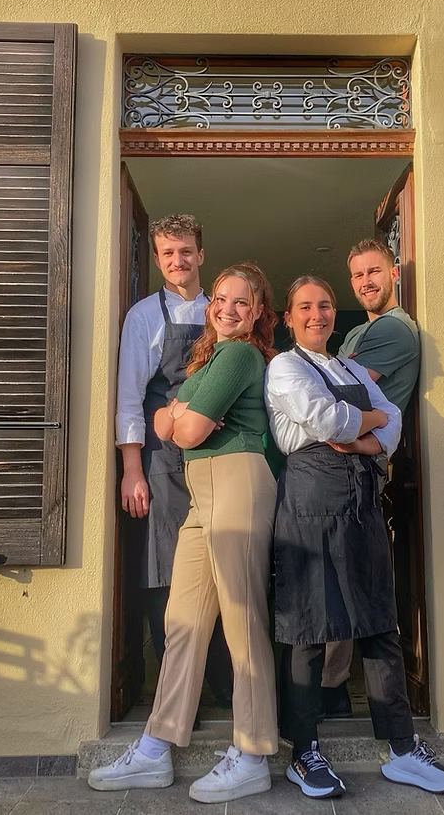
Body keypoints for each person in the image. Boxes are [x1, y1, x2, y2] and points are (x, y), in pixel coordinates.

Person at [265, 276, 444, 799]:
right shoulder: (283, 366)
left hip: (361, 505)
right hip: (309, 505)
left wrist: (364, 436)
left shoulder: (349, 366)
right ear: (289, 318)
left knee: (380, 624)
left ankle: (401, 748)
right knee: (309, 627)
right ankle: (303, 753)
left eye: (325, 306)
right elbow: (322, 417)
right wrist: (369, 427)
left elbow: (393, 420)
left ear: (335, 313)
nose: (317, 314)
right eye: (304, 307)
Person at [90, 263, 279, 804]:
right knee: (183, 621)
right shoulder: (209, 356)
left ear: (259, 311)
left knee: (241, 618)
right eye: (220, 298)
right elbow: (160, 424)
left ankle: (253, 752)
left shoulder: (241, 354)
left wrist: (180, 411)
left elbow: (186, 429)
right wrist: (180, 412)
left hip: (237, 479)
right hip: (202, 490)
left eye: (242, 302)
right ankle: (155, 747)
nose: (226, 308)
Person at [115, 213, 231, 705]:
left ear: (201, 255)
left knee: (222, 568)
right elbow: (128, 397)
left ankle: (228, 692)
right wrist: (132, 470)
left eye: (186, 251)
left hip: (216, 456)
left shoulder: (221, 313)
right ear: (158, 259)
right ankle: (180, 699)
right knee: (165, 574)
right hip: (160, 462)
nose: (178, 261)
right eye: (168, 253)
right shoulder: (143, 316)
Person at [322, 238, 420, 719]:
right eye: (358, 275)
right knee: (334, 580)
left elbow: (346, 394)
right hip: (340, 465)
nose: (366, 282)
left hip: (363, 471)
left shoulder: (396, 332)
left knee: (350, 586)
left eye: (374, 271)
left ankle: (340, 693)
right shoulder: (360, 332)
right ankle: (331, 689)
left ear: (394, 272)